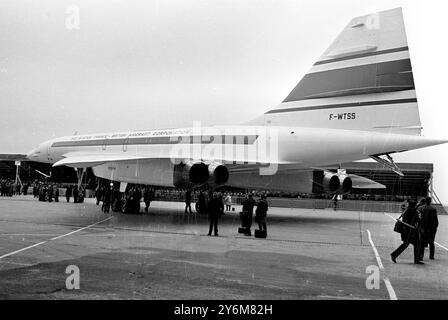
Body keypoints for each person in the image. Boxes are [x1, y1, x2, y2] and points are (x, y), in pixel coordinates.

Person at [390, 200, 423, 264]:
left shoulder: (407, 210)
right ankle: (416, 260)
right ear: (414, 205)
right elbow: (417, 219)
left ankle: (394, 255)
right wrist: (419, 216)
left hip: (406, 230)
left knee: (406, 244)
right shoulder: (412, 211)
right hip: (410, 231)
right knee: (416, 244)